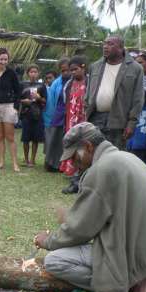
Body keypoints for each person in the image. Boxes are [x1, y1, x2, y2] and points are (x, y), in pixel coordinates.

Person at [33, 122, 146, 292]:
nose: (74, 164)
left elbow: (79, 230)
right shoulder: (128, 158)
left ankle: (131, 285)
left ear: (88, 147)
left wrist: (48, 241)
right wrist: (72, 218)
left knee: (54, 261)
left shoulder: (101, 170)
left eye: (75, 157)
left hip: (133, 255)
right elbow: (111, 214)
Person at [85, 35, 144, 150]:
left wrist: (131, 123)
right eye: (104, 43)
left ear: (121, 48)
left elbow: (138, 99)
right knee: (93, 153)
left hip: (119, 121)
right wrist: (85, 111)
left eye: (110, 44)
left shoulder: (135, 68)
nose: (105, 47)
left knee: (114, 155)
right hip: (95, 118)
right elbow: (88, 93)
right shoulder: (95, 66)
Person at [59, 55, 88, 194]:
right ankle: (73, 172)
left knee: (84, 147)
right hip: (71, 118)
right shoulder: (69, 84)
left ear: (83, 67)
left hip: (85, 120)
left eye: (75, 69)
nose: (73, 72)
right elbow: (66, 101)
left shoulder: (90, 82)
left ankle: (83, 174)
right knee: (72, 145)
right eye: (71, 70)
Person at [43, 58, 71, 172]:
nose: (66, 73)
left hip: (71, 114)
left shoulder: (76, 81)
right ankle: (53, 164)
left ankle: (67, 165)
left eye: (68, 70)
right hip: (58, 114)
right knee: (55, 139)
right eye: (63, 71)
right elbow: (51, 101)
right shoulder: (56, 83)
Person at [20, 64, 47, 167]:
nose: (33, 74)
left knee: (35, 138)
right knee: (25, 138)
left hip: (37, 114)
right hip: (26, 114)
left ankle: (32, 160)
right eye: (31, 72)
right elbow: (18, 98)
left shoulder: (42, 86)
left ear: (38, 73)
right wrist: (24, 101)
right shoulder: (23, 85)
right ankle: (26, 159)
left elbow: (45, 100)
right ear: (27, 73)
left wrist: (39, 97)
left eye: (35, 72)